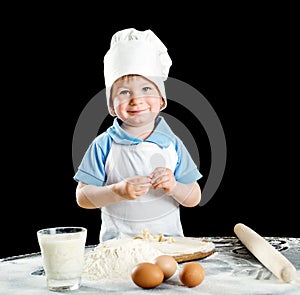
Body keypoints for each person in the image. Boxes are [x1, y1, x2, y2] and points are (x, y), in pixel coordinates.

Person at [73, 28, 202, 242]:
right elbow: (83, 198)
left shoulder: (172, 144)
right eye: (124, 92)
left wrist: (175, 186)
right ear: (112, 106)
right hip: (118, 247)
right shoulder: (104, 144)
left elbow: (194, 197)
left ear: (161, 100)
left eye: (146, 89)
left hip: (169, 245)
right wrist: (117, 191)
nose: (136, 100)